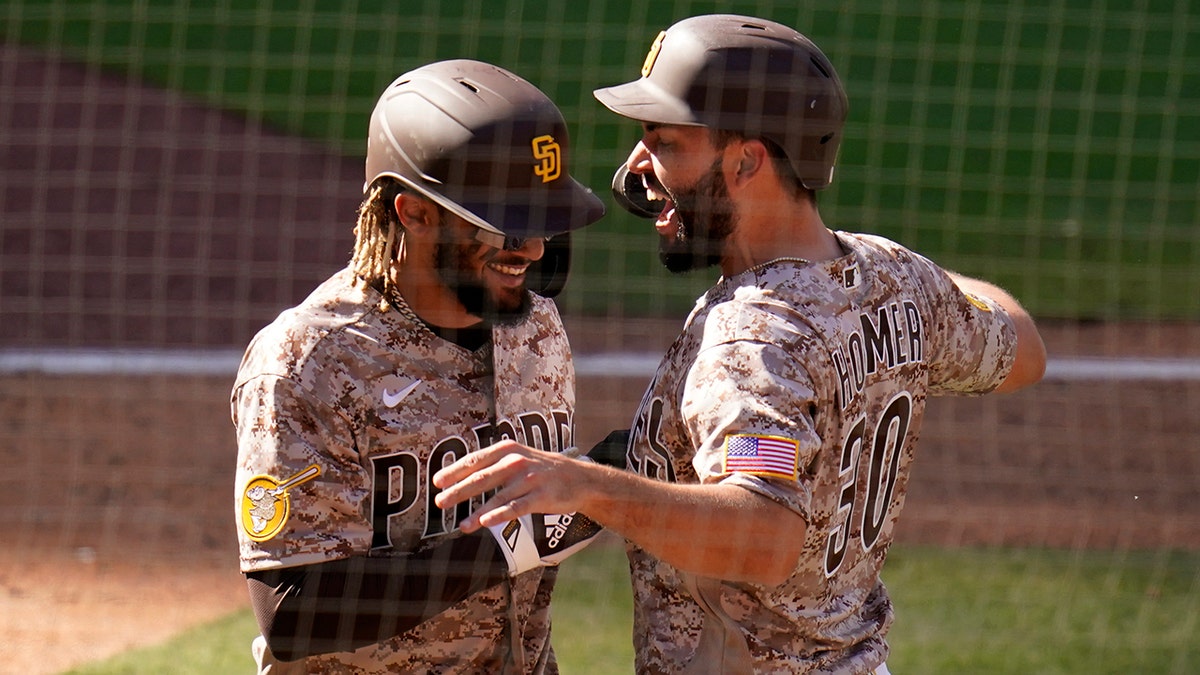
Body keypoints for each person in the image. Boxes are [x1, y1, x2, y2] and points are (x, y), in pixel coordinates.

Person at [433, 14, 1047, 674]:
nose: (637, 167)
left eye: (665, 142)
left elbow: (764, 532)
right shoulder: (896, 279)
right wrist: (897, 278)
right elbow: (1023, 345)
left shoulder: (749, 344)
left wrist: (587, 486)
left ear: (748, 159)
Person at [232, 59, 606, 674]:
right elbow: (290, 612)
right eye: (505, 225)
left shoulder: (537, 327)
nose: (533, 249)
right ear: (413, 212)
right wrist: (513, 542)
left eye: (539, 221)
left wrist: (600, 486)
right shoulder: (309, 362)